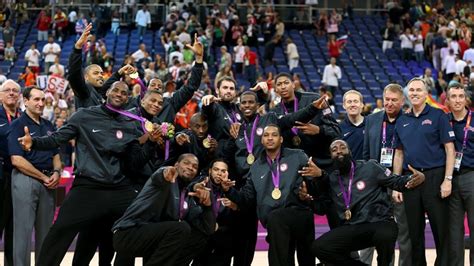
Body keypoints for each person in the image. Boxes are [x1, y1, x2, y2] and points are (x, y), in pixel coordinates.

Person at [17, 81, 160, 265]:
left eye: (124, 93)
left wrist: (151, 143)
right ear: (107, 92)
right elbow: (57, 139)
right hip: (88, 187)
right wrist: (34, 143)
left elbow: (135, 161)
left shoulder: (131, 123)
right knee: (59, 232)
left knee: (132, 230)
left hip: (119, 189)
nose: (119, 94)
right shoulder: (84, 115)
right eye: (115, 90)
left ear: (128, 99)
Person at [307, 139, 425, 266]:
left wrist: (414, 179)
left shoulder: (370, 167)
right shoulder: (331, 179)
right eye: (334, 150)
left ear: (350, 152)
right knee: (319, 247)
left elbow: (396, 182)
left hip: (379, 222)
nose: (339, 151)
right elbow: (321, 208)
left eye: (342, 147)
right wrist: (307, 199)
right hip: (353, 227)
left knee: (385, 234)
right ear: (331, 157)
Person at [223, 124, 316, 266]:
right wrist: (229, 191)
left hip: (298, 213)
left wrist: (308, 190)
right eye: (266, 135)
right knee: (277, 226)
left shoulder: (297, 156)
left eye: (274, 135)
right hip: (274, 223)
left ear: (281, 139)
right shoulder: (255, 167)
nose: (270, 138)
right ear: (262, 141)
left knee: (304, 255)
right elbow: (247, 198)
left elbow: (313, 182)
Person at [393, 77, 455, 266]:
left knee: (440, 230)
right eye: (411, 91)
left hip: (435, 177)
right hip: (410, 180)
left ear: (426, 93)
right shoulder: (402, 120)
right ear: (407, 94)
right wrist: (396, 185)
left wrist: (448, 179)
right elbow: (398, 155)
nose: (414, 93)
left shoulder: (438, 115)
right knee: (414, 232)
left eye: (418, 90)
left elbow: (450, 149)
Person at [112, 153, 215, 265]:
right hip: (129, 233)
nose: (190, 167)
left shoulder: (187, 196)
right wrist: (166, 173)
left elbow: (208, 228)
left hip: (153, 237)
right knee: (181, 228)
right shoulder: (166, 179)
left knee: (198, 237)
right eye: (186, 163)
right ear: (176, 165)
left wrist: (208, 206)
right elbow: (161, 175)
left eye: (195, 166)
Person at [7, 86, 60, 266]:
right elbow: (17, 160)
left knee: (45, 233)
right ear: (26, 101)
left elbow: (56, 155)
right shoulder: (17, 125)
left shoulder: (49, 125)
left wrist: (57, 172)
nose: (40, 103)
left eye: (42, 100)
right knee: (22, 232)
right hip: (25, 179)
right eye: (36, 99)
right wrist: (43, 177)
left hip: (48, 182)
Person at [361, 83, 412, 265]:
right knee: (370, 228)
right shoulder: (372, 120)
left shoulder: (408, 120)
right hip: (376, 184)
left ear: (402, 101)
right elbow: (366, 154)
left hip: (400, 183)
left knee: (402, 230)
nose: (389, 103)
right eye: (387, 99)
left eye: (394, 100)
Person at [270, 72, 340, 170]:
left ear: (294, 84)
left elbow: (336, 130)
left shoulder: (315, 100)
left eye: (286, 83)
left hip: (321, 164)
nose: (283, 87)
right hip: (293, 167)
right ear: (275, 89)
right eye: (279, 84)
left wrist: (319, 130)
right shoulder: (275, 112)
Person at [68, 23, 134, 109]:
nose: (100, 75)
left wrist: (119, 73)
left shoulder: (98, 92)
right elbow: (74, 75)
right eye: (95, 73)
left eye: (101, 74)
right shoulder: (84, 90)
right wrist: (77, 48)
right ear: (86, 77)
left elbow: (107, 85)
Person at [445, 82, 474, 266]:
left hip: (472, 177)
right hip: (450, 179)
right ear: (447, 100)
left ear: (466, 99)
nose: (457, 100)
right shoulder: (443, 121)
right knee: (454, 232)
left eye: (460, 96)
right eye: (453, 97)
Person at [0, 80, 21, 266]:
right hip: (1, 178)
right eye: (7, 90)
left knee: (15, 230)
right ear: (0, 96)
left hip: (21, 178)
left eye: (15, 90)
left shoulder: (25, 118)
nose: (12, 93)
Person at [340, 90, 365, 160]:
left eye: (355, 101)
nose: (352, 105)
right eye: (349, 102)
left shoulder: (371, 124)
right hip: (349, 169)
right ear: (344, 105)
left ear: (362, 104)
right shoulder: (339, 128)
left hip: (369, 169)